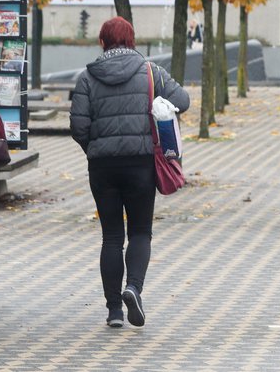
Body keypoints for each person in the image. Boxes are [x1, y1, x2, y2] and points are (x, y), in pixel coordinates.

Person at [69, 17, 190, 328]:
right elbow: (183, 101)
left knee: (111, 236)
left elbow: (78, 127)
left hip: (103, 168)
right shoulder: (151, 71)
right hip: (141, 164)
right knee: (140, 232)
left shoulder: (86, 77)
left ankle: (113, 312)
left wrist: (94, 149)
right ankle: (133, 288)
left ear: (102, 42)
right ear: (132, 40)